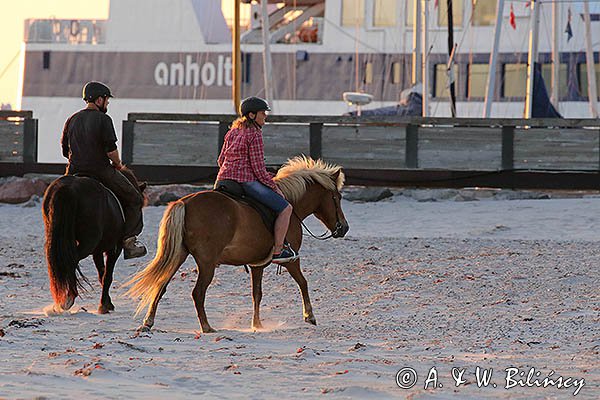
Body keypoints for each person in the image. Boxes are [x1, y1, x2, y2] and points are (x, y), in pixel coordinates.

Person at [60, 81, 147, 259]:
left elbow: (64, 149)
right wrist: (118, 164)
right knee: (135, 198)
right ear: (99, 99)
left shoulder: (72, 119)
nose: (107, 103)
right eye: (106, 100)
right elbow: (110, 150)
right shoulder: (103, 119)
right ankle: (129, 242)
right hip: (99, 170)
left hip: (73, 171)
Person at [216, 97, 297, 264]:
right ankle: (278, 250)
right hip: (245, 181)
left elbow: (220, 160)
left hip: (222, 179)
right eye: (263, 113)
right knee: (285, 208)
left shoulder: (232, 131)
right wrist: (275, 187)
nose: (265, 116)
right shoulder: (254, 134)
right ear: (252, 115)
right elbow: (259, 170)